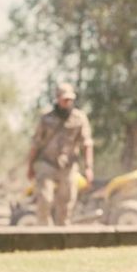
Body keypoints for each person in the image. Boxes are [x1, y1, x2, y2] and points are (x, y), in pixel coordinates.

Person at [26, 82, 94, 226]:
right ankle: (44, 232)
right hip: (47, 162)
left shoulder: (79, 118)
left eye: (70, 99)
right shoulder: (46, 118)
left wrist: (88, 167)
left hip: (68, 165)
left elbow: (86, 144)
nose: (67, 102)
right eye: (65, 99)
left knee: (66, 202)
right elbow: (36, 143)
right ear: (57, 99)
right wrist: (30, 166)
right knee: (44, 199)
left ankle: (62, 232)